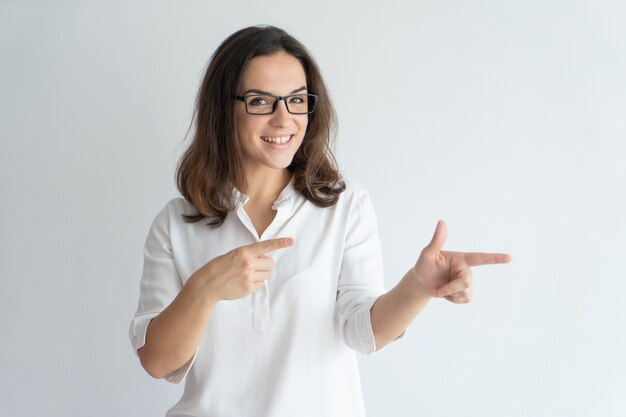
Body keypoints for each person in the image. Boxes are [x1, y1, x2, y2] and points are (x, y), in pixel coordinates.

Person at [129, 25, 511, 417]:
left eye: (296, 100)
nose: (284, 119)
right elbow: (158, 362)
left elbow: (363, 332)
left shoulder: (346, 206)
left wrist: (417, 287)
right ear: (223, 109)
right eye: (261, 101)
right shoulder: (176, 222)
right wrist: (203, 289)